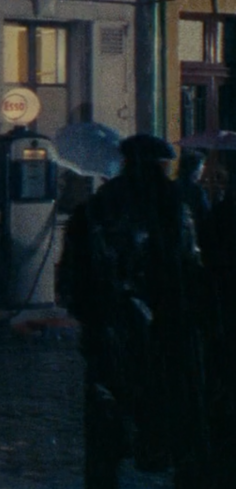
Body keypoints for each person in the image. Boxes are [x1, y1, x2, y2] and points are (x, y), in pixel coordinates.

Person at [57, 134, 213, 488]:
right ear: (159, 165)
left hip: (108, 331)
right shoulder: (173, 207)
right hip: (166, 330)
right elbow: (189, 267)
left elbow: (71, 281)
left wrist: (94, 314)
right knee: (174, 410)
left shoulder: (95, 208)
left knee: (106, 417)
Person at [176, 149, 210, 230]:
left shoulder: (174, 185)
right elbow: (205, 214)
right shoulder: (197, 190)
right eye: (201, 165)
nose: (203, 168)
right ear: (194, 169)